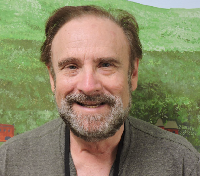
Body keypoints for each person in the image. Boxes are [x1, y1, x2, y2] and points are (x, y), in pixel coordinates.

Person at [0, 5, 199, 176]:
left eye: (105, 64)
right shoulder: (9, 161)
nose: (88, 86)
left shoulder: (182, 163)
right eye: (71, 66)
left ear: (133, 74)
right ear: (52, 78)